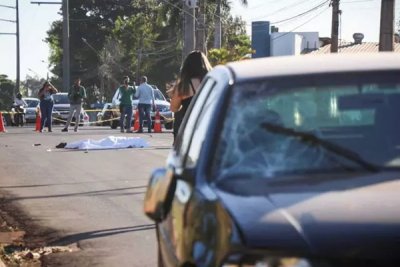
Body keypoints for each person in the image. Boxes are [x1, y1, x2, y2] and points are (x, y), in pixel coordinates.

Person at [168, 50, 212, 141]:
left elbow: (174, 108)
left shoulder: (184, 86)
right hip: (209, 127)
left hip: (189, 129)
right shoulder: (212, 83)